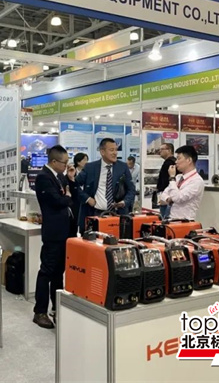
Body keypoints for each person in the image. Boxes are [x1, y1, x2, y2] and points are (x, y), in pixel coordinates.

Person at [33, 145, 77, 329]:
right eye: (64, 163)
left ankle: (56, 307)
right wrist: (67, 197)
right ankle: (40, 311)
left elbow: (71, 196)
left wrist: (71, 181)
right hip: (54, 232)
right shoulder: (43, 177)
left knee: (59, 272)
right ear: (54, 161)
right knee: (47, 271)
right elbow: (58, 201)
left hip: (65, 231)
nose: (66, 166)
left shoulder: (59, 176)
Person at [74, 138, 135, 234]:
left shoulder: (123, 167)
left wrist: (124, 202)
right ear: (102, 152)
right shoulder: (90, 167)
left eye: (116, 150)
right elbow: (75, 185)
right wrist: (87, 198)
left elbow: (131, 189)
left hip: (117, 214)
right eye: (111, 150)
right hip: (95, 213)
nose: (115, 153)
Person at [159, 146, 205, 220]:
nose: (176, 162)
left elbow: (178, 198)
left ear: (189, 160)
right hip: (171, 219)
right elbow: (163, 195)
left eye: (179, 158)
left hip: (185, 221)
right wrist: (169, 199)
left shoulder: (197, 181)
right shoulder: (178, 177)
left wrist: (172, 178)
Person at [156, 143, 177, 219]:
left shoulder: (169, 163)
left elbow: (166, 182)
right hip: (166, 195)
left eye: (162, 149)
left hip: (167, 196)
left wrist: (164, 196)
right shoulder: (171, 162)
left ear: (169, 150)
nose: (160, 151)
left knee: (165, 218)